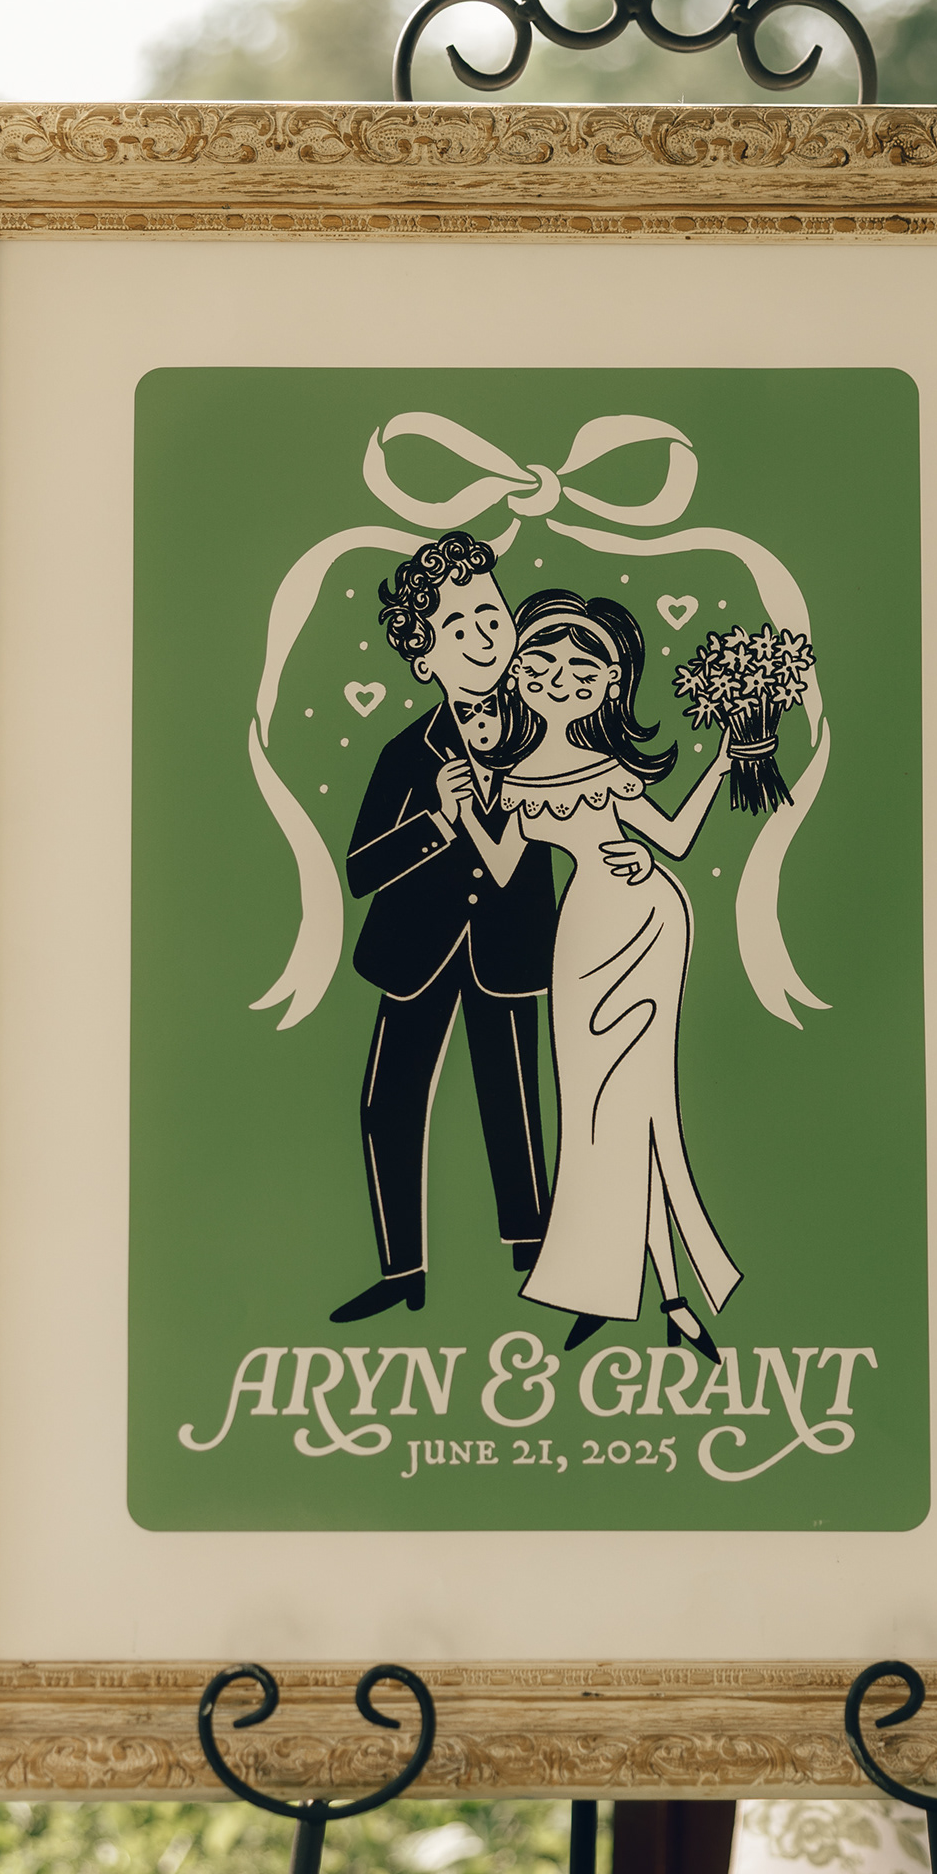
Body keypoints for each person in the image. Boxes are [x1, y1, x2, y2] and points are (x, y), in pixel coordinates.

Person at [331, 534, 650, 1323]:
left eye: (490, 615)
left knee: (514, 1103)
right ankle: (401, 1269)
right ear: (423, 660)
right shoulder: (406, 752)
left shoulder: (552, 729)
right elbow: (360, 868)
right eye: (456, 625)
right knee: (388, 1101)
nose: (481, 635)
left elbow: (599, 808)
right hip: (414, 953)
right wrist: (436, 821)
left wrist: (627, 857)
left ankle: (535, 1251)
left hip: (508, 947)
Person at [460, 587, 738, 1356]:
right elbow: (503, 865)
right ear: (516, 673)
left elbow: (674, 839)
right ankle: (623, 1289)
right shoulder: (512, 775)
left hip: (646, 918)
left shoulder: (611, 766)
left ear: (612, 683)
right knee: (590, 1112)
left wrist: (719, 765)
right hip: (580, 936)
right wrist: (466, 811)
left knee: (642, 1103)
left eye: (582, 671)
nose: (560, 680)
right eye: (541, 665)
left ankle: (668, 1295)